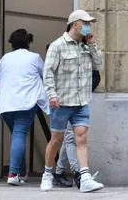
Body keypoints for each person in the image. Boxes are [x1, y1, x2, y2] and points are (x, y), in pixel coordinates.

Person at [40, 10, 104, 193]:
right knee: (56, 139)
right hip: (61, 102)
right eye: (85, 23)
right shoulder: (57, 46)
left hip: (81, 101)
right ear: (75, 24)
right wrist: (52, 95)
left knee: (81, 138)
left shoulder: (85, 46)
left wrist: (92, 44)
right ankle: (47, 174)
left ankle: (84, 177)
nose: (88, 27)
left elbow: (98, 63)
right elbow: (48, 72)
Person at [0, 29, 49, 185]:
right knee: (19, 136)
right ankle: (12, 174)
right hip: (25, 104)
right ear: (28, 42)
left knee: (17, 137)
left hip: (6, 105)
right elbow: (46, 75)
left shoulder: (5, 59)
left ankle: (22, 172)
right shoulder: (34, 58)